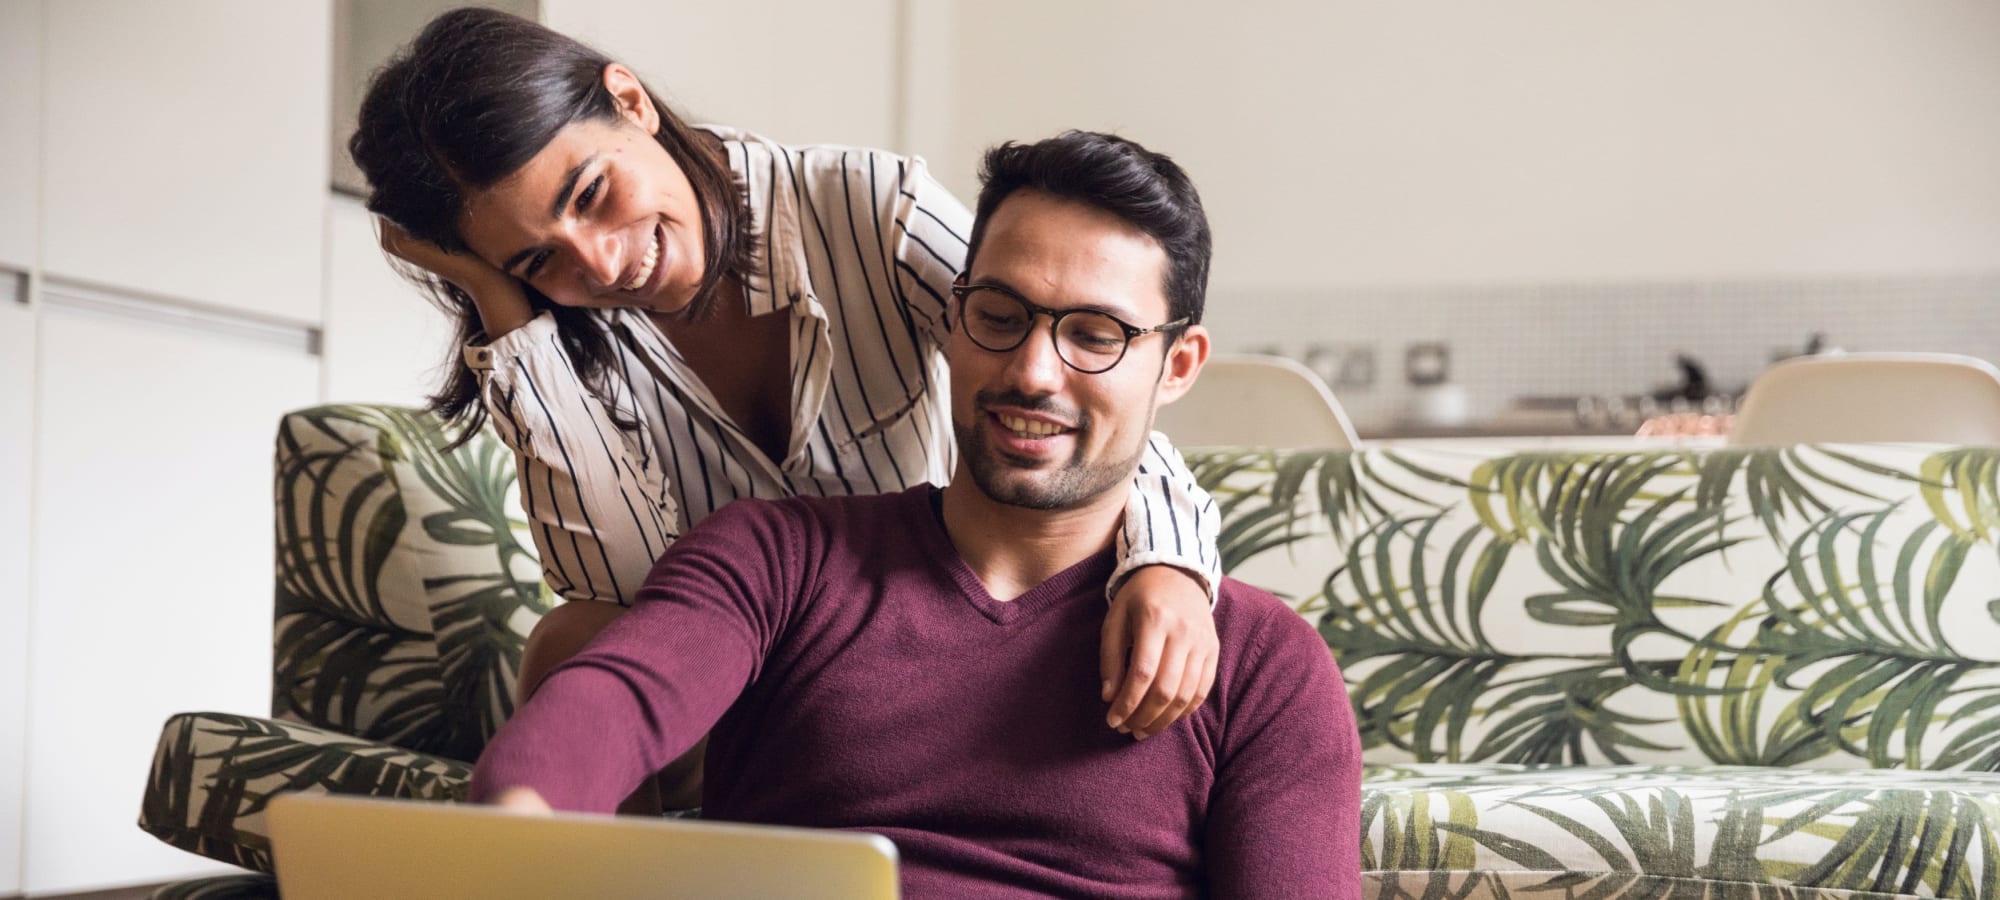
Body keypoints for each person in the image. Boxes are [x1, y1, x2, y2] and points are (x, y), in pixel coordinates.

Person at [347, 8, 1225, 806]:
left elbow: (1061, 369)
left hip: (920, 637)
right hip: (724, 665)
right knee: (575, 641)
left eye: (591, 195)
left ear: (630, 100)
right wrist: (503, 304)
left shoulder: (868, 212)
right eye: (537, 258)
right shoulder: (566, 332)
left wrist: (1169, 567)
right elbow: (622, 593)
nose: (605, 264)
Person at [470, 131, 1363, 898]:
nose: (1033, 373)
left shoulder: (1262, 664)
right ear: (951, 318)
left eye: (1096, 335)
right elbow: (610, 706)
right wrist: (517, 820)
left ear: (1176, 366)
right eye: (1001, 315)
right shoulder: (777, 560)